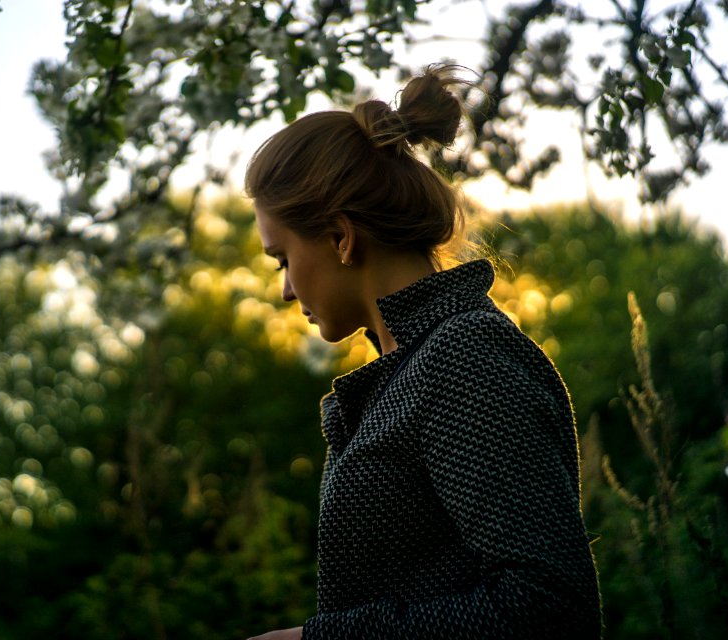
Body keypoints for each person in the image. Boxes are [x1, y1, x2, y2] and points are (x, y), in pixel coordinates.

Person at [243, 65, 601, 639]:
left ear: (340, 237)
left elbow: (550, 610)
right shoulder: (414, 369)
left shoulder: (464, 359)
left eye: (282, 258)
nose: (285, 288)